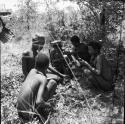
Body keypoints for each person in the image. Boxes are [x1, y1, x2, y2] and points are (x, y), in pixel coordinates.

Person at [17, 52, 66, 123]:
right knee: (53, 83)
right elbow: (39, 101)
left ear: (35, 64)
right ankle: (40, 111)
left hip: (19, 111)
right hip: (28, 114)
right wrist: (50, 106)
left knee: (43, 87)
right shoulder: (42, 79)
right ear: (47, 66)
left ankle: (36, 109)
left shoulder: (32, 71)